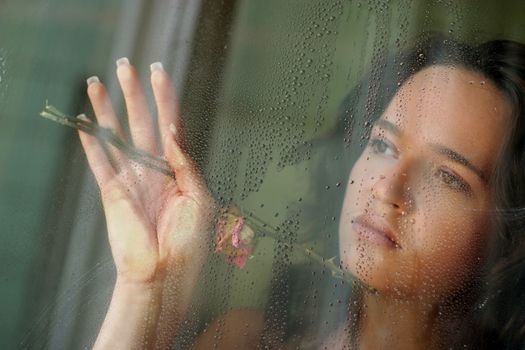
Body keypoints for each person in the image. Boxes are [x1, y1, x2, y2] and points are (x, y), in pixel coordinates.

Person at [77, 35, 525, 349]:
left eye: (447, 176)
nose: (387, 188)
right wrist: (145, 290)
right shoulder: (248, 341)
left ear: (506, 238)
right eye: (383, 145)